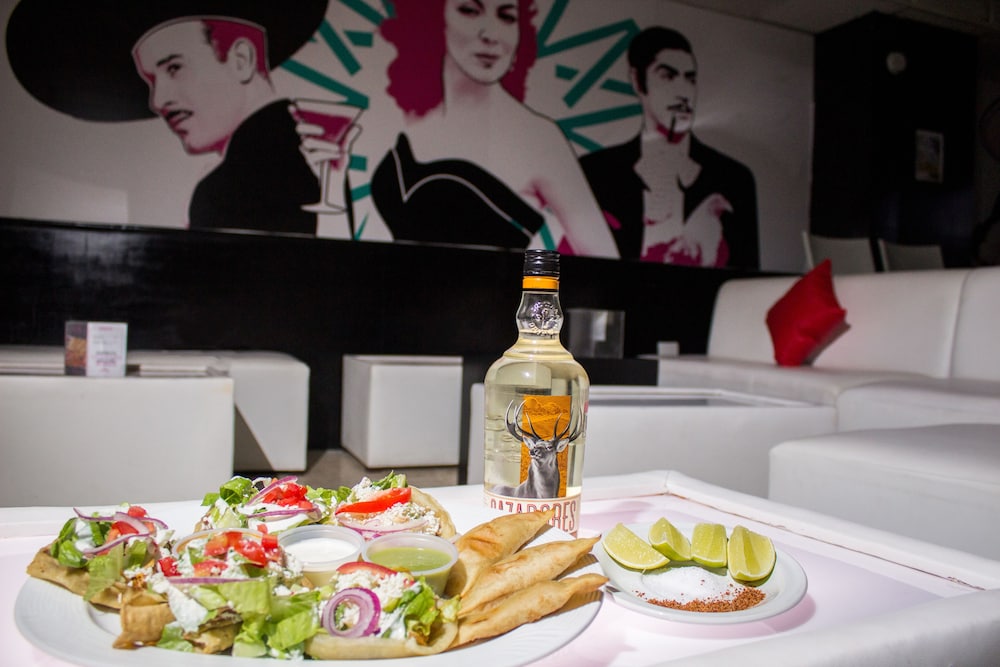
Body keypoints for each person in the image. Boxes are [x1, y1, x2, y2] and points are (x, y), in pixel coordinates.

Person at [6, 2, 328, 235]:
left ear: (241, 60)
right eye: (151, 80)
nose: (157, 101)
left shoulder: (230, 188)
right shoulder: (303, 157)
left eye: (174, 67)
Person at [361, 0, 618, 257]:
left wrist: (538, 281)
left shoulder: (539, 138)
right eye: (470, 11)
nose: (491, 34)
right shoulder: (413, 117)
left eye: (507, 17)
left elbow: (604, 264)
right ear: (438, 17)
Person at [580, 27, 759, 268]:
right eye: (668, 76)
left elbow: (748, 279)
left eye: (690, 79)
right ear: (637, 80)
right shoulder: (596, 172)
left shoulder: (734, 178)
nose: (684, 92)